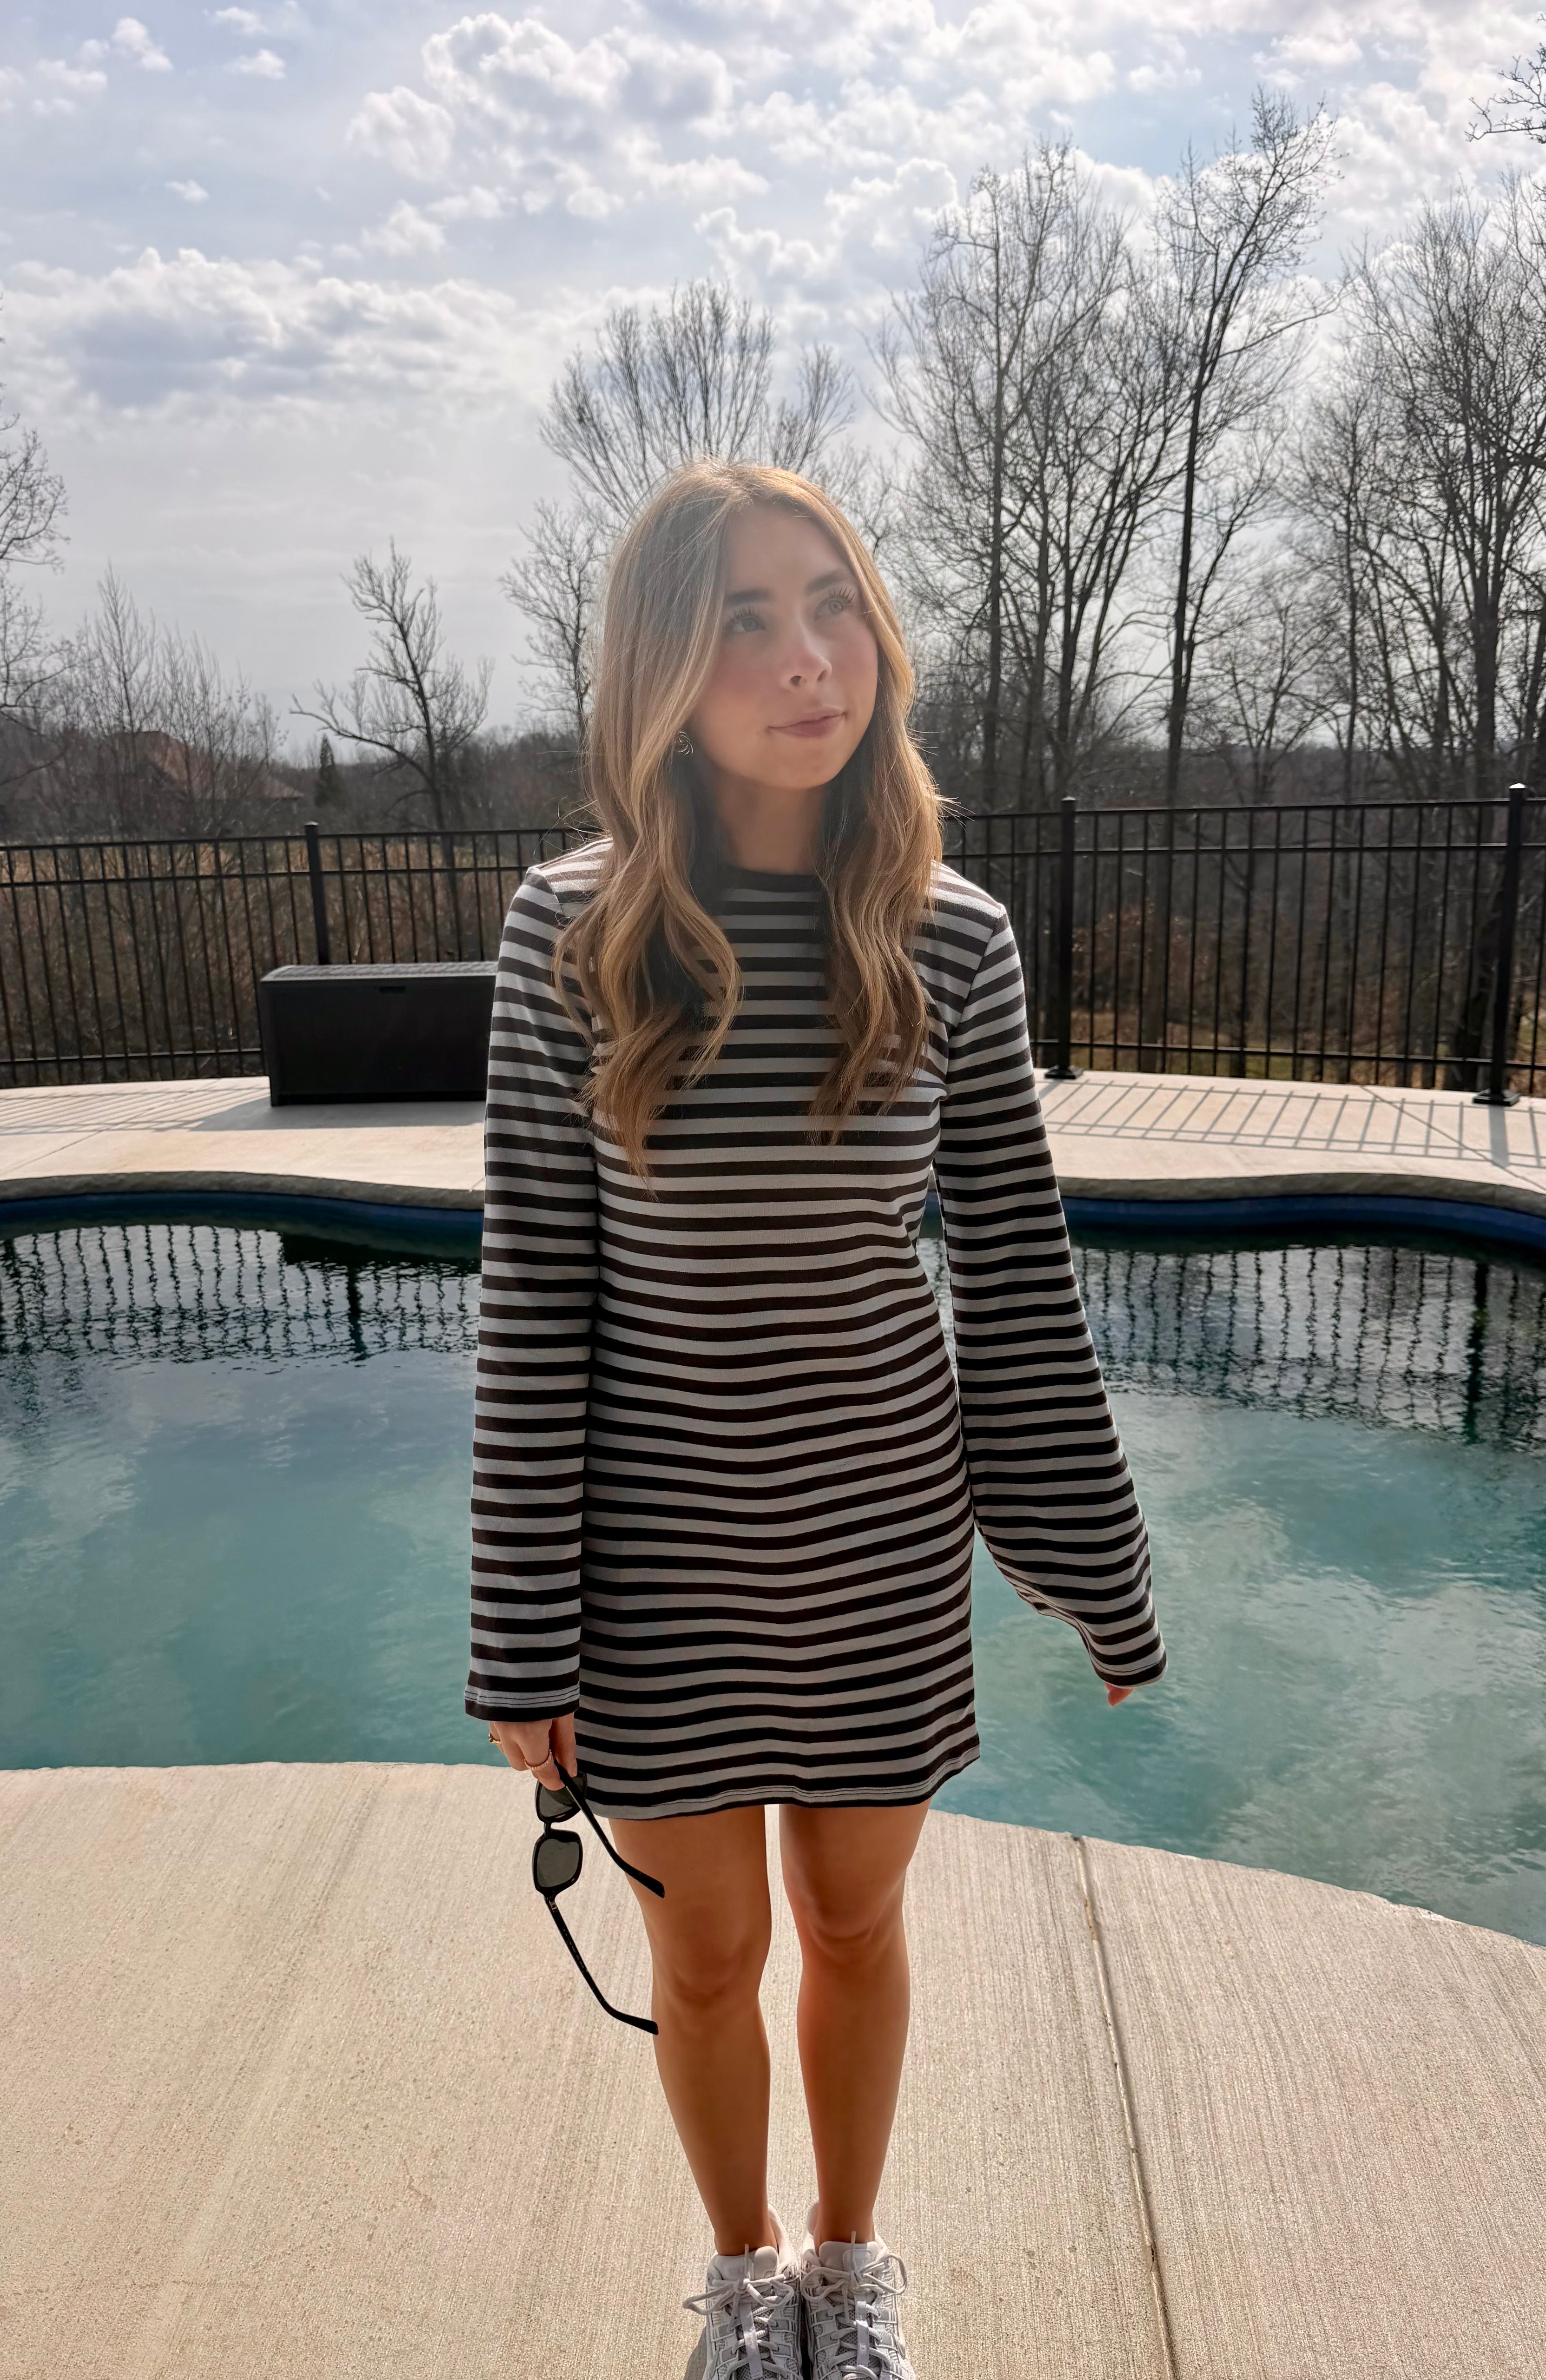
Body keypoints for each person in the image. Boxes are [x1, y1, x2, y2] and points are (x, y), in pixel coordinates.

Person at [465, 459, 1166, 2380]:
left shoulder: (950, 934)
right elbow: (538, 1289)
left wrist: (1101, 1572)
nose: (808, 657)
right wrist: (522, 1627)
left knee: (853, 1930)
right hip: (656, 1562)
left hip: (871, 1544)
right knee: (705, 1955)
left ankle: (851, 2272)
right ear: (663, 671)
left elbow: (1017, 1278)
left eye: (833, 600)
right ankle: (744, 2268)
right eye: (750, 618)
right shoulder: (566, 935)